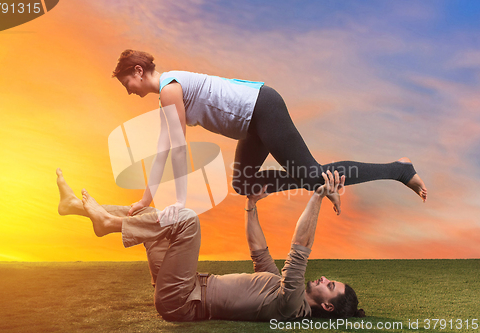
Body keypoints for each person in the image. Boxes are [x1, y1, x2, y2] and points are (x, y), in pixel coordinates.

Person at [111, 50, 427, 224]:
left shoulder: (170, 89)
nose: (128, 90)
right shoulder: (168, 93)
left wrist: (179, 203)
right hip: (251, 125)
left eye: (127, 82)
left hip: (262, 108)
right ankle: (314, 182)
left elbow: (179, 150)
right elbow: (164, 149)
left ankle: (400, 169)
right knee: (244, 184)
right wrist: (145, 199)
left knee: (315, 173)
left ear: (138, 70)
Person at [57, 167, 365, 321]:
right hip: (183, 284)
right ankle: (73, 206)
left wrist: (318, 194)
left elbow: (300, 247)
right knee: (155, 216)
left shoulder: (292, 305)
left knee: (186, 219)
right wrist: (251, 206)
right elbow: (259, 253)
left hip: (181, 300)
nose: (324, 278)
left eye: (331, 285)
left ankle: (108, 223)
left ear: (326, 305)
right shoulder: (282, 288)